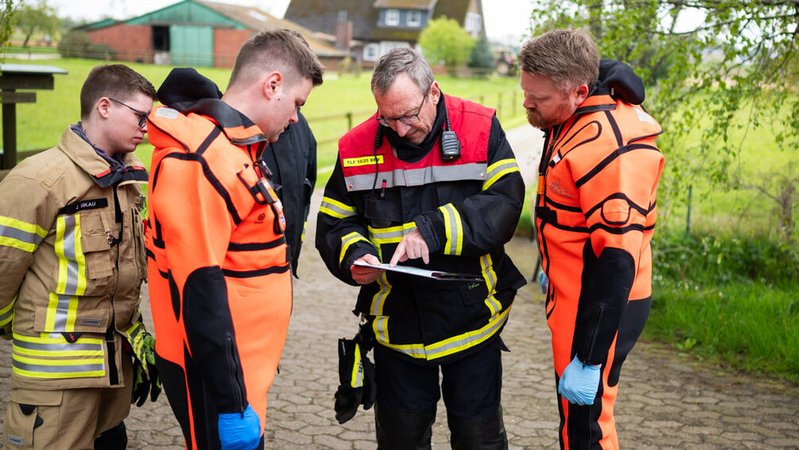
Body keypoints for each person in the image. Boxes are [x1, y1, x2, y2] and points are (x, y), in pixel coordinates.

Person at [316, 47, 526, 449]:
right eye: (386, 117)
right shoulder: (356, 146)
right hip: (397, 330)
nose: (397, 129)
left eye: (407, 115)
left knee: (478, 439)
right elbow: (334, 220)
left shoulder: (480, 129)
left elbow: (505, 204)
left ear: (434, 92)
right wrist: (353, 254)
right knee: (401, 441)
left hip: (473, 326)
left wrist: (431, 230)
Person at [144, 29, 324, 450]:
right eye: (297, 103)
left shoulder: (233, 148)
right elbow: (199, 289)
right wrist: (230, 403)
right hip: (216, 381)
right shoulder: (200, 159)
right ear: (272, 84)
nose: (297, 118)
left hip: (242, 375)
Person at [519, 29, 665, 449]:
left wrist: (588, 355)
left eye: (538, 98)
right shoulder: (574, 105)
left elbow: (617, 261)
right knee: (574, 419)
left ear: (579, 91)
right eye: (526, 91)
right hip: (570, 290)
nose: (527, 103)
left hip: (598, 301)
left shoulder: (609, 151)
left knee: (587, 425)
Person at [0, 64, 159, 449]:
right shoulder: (38, 180)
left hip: (112, 374)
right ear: (104, 106)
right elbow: (3, 270)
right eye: (141, 116)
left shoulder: (125, 181)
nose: (147, 128)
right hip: (56, 386)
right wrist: (13, 326)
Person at [259, 111, 317, 276]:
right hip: (245, 280)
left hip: (286, 269)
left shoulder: (299, 126)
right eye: (297, 101)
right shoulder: (229, 131)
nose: (295, 116)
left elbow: (305, 192)